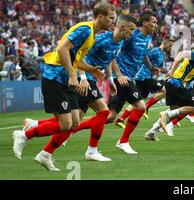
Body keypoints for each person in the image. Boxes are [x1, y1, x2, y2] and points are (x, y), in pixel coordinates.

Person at [12, 1, 116, 171]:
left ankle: (45, 155)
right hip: (55, 77)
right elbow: (62, 49)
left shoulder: (92, 36)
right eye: (111, 18)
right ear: (100, 17)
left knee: (75, 123)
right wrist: (73, 75)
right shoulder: (85, 29)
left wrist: (90, 69)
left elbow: (75, 59)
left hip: (64, 80)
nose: (113, 22)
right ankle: (24, 135)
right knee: (65, 124)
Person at [22, 14, 138, 164]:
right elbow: (79, 55)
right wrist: (82, 78)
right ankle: (91, 151)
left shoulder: (119, 43)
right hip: (83, 79)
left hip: (89, 78)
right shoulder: (101, 39)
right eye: (132, 29)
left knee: (74, 122)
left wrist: (110, 79)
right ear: (122, 27)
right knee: (103, 112)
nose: (132, 33)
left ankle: (38, 134)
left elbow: (109, 59)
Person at [106, 11, 159, 154]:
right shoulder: (130, 35)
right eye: (153, 22)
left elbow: (143, 55)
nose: (156, 25)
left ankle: (72, 128)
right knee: (141, 107)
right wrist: (118, 74)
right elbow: (112, 53)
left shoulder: (147, 38)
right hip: (123, 78)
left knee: (110, 117)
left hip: (129, 78)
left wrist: (150, 67)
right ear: (145, 23)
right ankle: (123, 141)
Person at [116, 36, 174, 127]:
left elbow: (160, 67)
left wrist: (169, 73)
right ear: (165, 41)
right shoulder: (155, 51)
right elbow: (143, 56)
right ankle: (147, 106)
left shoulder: (162, 54)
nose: (170, 48)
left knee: (138, 100)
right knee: (164, 90)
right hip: (143, 76)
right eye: (170, 45)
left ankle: (120, 119)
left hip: (144, 77)